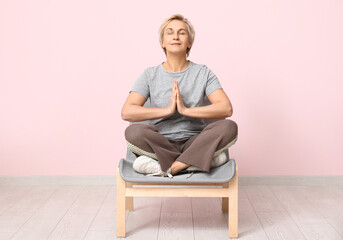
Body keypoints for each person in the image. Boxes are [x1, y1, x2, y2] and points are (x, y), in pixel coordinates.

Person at [121, 14, 238, 178]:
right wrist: (167, 111)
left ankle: (171, 168)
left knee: (229, 127)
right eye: (170, 32)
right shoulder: (149, 75)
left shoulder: (203, 73)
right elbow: (127, 112)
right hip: (160, 143)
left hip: (194, 142)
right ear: (162, 42)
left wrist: (185, 110)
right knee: (133, 132)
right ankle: (195, 163)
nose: (175, 36)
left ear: (189, 42)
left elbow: (226, 108)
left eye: (181, 32)